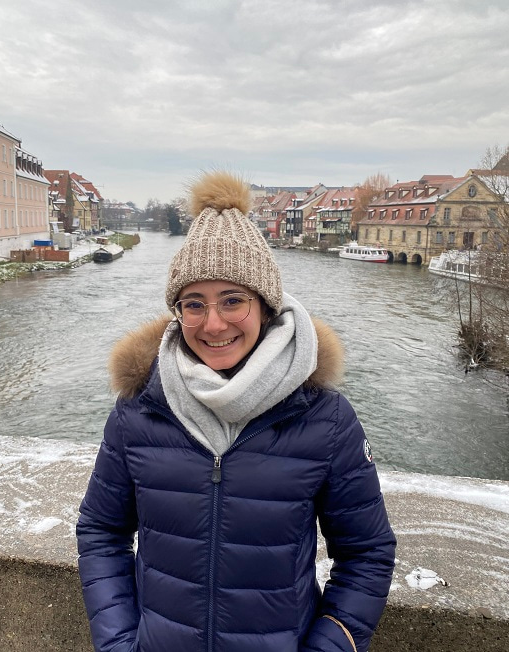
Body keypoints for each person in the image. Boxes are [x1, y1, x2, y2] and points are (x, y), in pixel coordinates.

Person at [77, 171, 396, 652]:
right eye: (194, 304)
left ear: (265, 307)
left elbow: (367, 553)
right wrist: (120, 642)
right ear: (177, 311)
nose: (213, 323)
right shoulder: (140, 409)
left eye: (233, 300)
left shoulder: (324, 418)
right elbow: (101, 532)